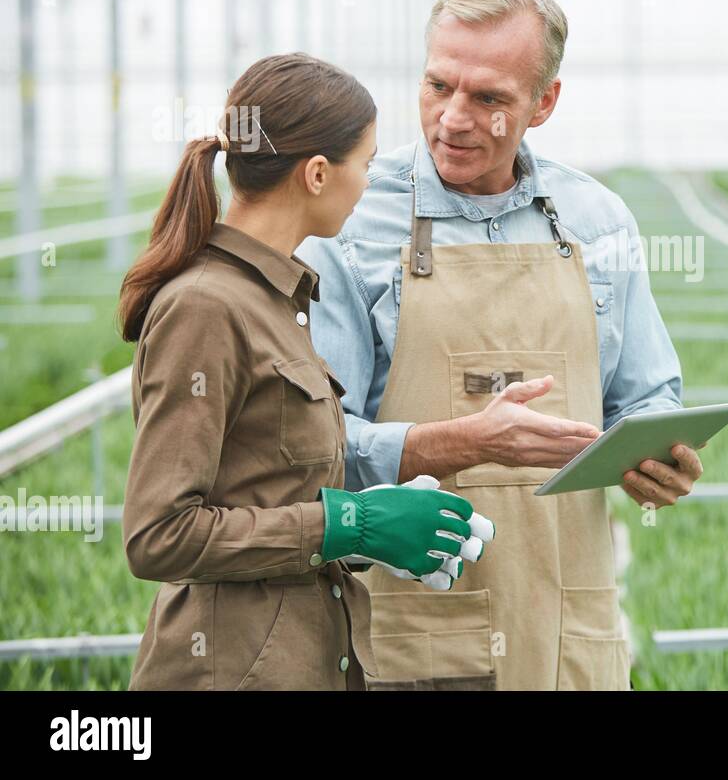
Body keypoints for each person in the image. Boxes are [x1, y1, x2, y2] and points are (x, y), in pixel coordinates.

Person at [299, 0, 702, 691]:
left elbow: (649, 393)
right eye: (437, 86)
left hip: (567, 627)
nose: (454, 117)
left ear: (544, 102)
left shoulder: (598, 221)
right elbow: (314, 449)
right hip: (415, 632)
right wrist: (463, 442)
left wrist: (656, 451)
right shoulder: (352, 221)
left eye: (489, 98)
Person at [117, 53, 487, 690]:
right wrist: (347, 524)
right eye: (365, 166)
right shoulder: (205, 306)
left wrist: (372, 522)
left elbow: (265, 485)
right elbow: (160, 534)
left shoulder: (276, 299)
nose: (369, 184)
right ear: (317, 174)